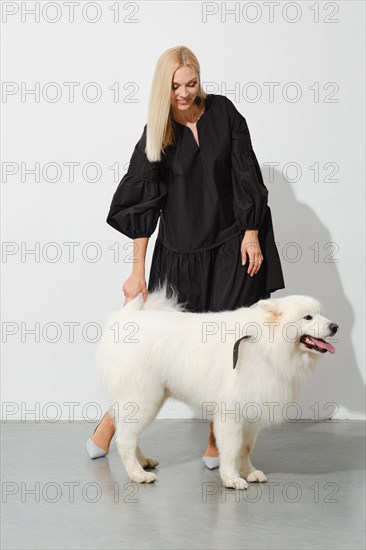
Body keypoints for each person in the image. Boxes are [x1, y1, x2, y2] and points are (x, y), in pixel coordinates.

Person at [86, 45, 285, 468]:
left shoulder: (224, 113)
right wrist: (137, 271)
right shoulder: (158, 131)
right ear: (164, 86)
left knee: (232, 346)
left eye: (191, 83)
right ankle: (110, 426)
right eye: (175, 86)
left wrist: (251, 234)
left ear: (200, 78)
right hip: (180, 253)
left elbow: (246, 173)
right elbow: (142, 205)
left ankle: (218, 443)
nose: (184, 93)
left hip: (233, 245)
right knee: (162, 350)